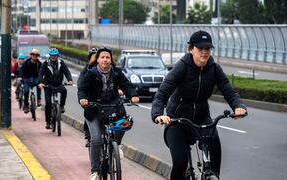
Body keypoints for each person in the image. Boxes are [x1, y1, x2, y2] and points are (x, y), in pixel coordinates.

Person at [151, 30, 248, 180]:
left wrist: (238, 106)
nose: (204, 52)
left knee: (215, 147)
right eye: (200, 48)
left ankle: (213, 176)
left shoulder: (214, 69)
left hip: (202, 118)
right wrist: (158, 114)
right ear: (191, 49)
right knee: (181, 162)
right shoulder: (182, 67)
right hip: (177, 120)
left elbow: (228, 90)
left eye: (207, 49)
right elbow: (163, 92)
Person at [77, 47, 140, 180]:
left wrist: (133, 95)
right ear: (98, 60)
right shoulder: (91, 73)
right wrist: (83, 98)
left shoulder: (117, 73)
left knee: (126, 122)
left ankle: (116, 144)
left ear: (111, 60)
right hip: (94, 109)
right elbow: (82, 88)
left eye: (107, 57)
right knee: (96, 139)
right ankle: (95, 171)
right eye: (102, 57)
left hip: (113, 108)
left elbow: (126, 85)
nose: (105, 59)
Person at [38, 48, 74, 129]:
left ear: (57, 56)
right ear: (50, 56)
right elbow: (41, 73)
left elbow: (67, 72)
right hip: (48, 85)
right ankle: (48, 122)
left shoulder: (61, 63)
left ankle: (61, 106)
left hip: (58, 84)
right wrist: (40, 82)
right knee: (48, 103)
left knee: (64, 90)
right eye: (52, 55)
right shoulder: (45, 64)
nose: (53, 57)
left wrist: (70, 80)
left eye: (55, 56)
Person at [18, 48, 42, 113]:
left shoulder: (39, 63)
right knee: (26, 91)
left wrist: (42, 78)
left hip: (35, 78)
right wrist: (20, 77)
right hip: (26, 78)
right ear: (31, 55)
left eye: (36, 55)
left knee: (39, 85)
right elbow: (21, 70)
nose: (34, 56)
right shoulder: (26, 62)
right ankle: (26, 106)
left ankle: (38, 99)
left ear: (37, 56)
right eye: (33, 54)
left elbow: (42, 72)